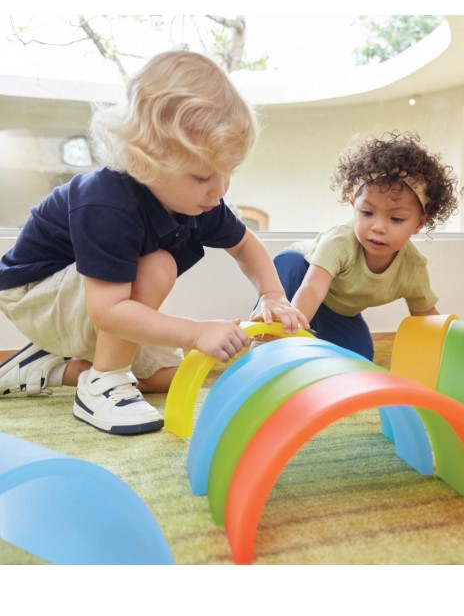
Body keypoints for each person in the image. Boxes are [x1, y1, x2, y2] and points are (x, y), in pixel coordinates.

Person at [0, 50, 308, 435]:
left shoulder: (203, 201)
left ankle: (52, 368)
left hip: (86, 301)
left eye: (227, 172)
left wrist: (272, 295)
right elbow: (108, 311)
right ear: (148, 159)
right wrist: (197, 332)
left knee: (168, 376)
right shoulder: (108, 202)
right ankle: (101, 384)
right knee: (158, 264)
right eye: (202, 176)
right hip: (32, 296)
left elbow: (245, 244)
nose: (220, 189)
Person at [271, 131, 460, 361]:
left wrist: (453, 346)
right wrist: (293, 338)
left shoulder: (412, 267)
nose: (378, 227)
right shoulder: (340, 242)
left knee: (361, 360)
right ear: (353, 205)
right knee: (292, 263)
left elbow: (425, 316)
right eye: (368, 213)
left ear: (419, 223)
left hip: (340, 311)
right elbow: (311, 290)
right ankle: (270, 345)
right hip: (300, 282)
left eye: (396, 219)